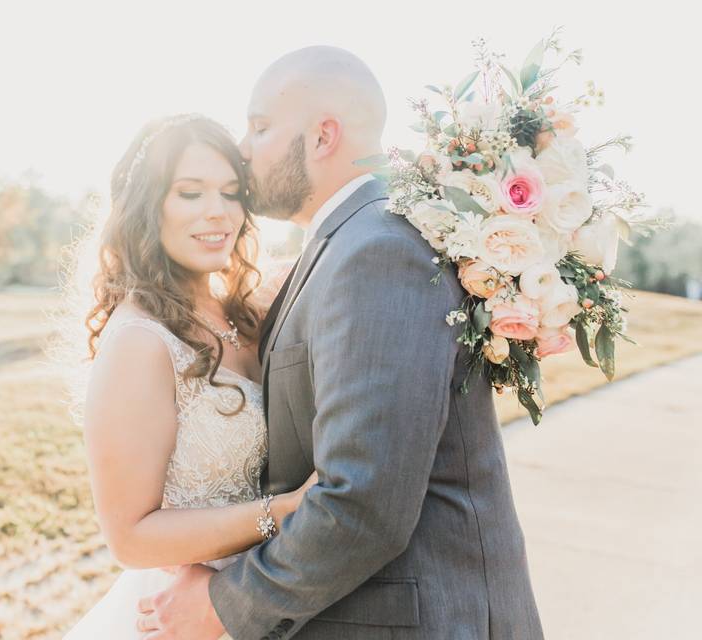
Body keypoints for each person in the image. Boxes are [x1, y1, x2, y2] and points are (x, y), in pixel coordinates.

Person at [136, 46, 544, 640]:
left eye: (260, 127)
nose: (244, 150)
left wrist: (223, 604)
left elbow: (364, 502)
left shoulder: (376, 250)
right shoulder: (345, 242)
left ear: (323, 135)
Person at [62, 114, 314, 640]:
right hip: (187, 616)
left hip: (262, 600)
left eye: (230, 191)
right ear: (146, 207)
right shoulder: (141, 342)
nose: (218, 212)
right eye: (190, 193)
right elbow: (129, 537)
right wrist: (282, 513)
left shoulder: (246, 307)